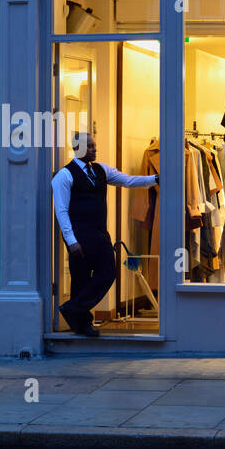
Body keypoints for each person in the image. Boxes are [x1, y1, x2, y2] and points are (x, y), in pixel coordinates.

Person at [52, 133, 158, 335]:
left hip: (100, 234)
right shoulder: (64, 176)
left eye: (95, 146)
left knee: (108, 273)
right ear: (78, 148)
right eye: (90, 146)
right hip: (79, 236)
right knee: (80, 280)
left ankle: (72, 308)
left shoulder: (101, 170)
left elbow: (128, 181)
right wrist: (71, 240)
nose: (95, 149)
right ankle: (83, 325)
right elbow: (61, 211)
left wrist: (154, 179)